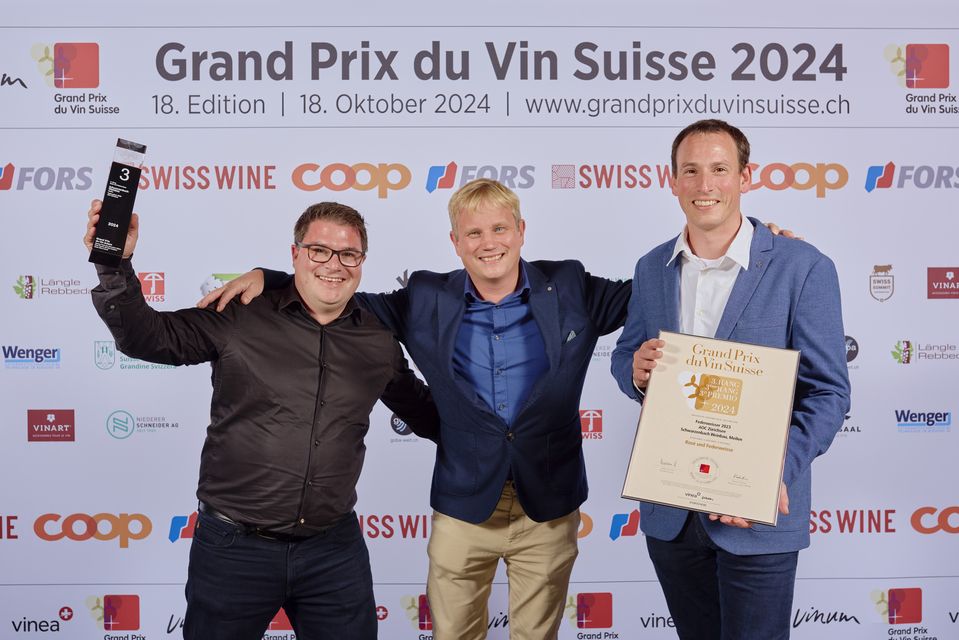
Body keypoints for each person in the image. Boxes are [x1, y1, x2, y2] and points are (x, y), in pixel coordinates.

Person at [203, 180, 794, 640]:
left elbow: (668, 287)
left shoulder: (571, 286)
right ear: (455, 242)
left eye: (499, 228)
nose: (489, 243)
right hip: (464, 504)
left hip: (549, 504)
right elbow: (336, 293)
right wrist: (272, 276)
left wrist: (745, 249)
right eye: (473, 233)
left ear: (521, 230)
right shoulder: (425, 297)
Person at [85, 200, 439, 640]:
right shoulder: (241, 313)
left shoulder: (378, 340)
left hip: (334, 551)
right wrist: (114, 262)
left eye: (349, 254)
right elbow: (147, 337)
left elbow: (428, 414)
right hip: (234, 549)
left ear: (362, 261)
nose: (334, 265)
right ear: (295, 254)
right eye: (319, 251)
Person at [610, 119, 850, 640]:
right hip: (672, 514)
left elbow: (828, 393)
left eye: (720, 169)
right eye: (690, 171)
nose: (705, 185)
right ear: (672, 180)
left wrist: (770, 475)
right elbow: (627, 354)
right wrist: (633, 371)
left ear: (745, 176)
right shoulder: (651, 267)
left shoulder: (802, 267)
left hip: (756, 519)